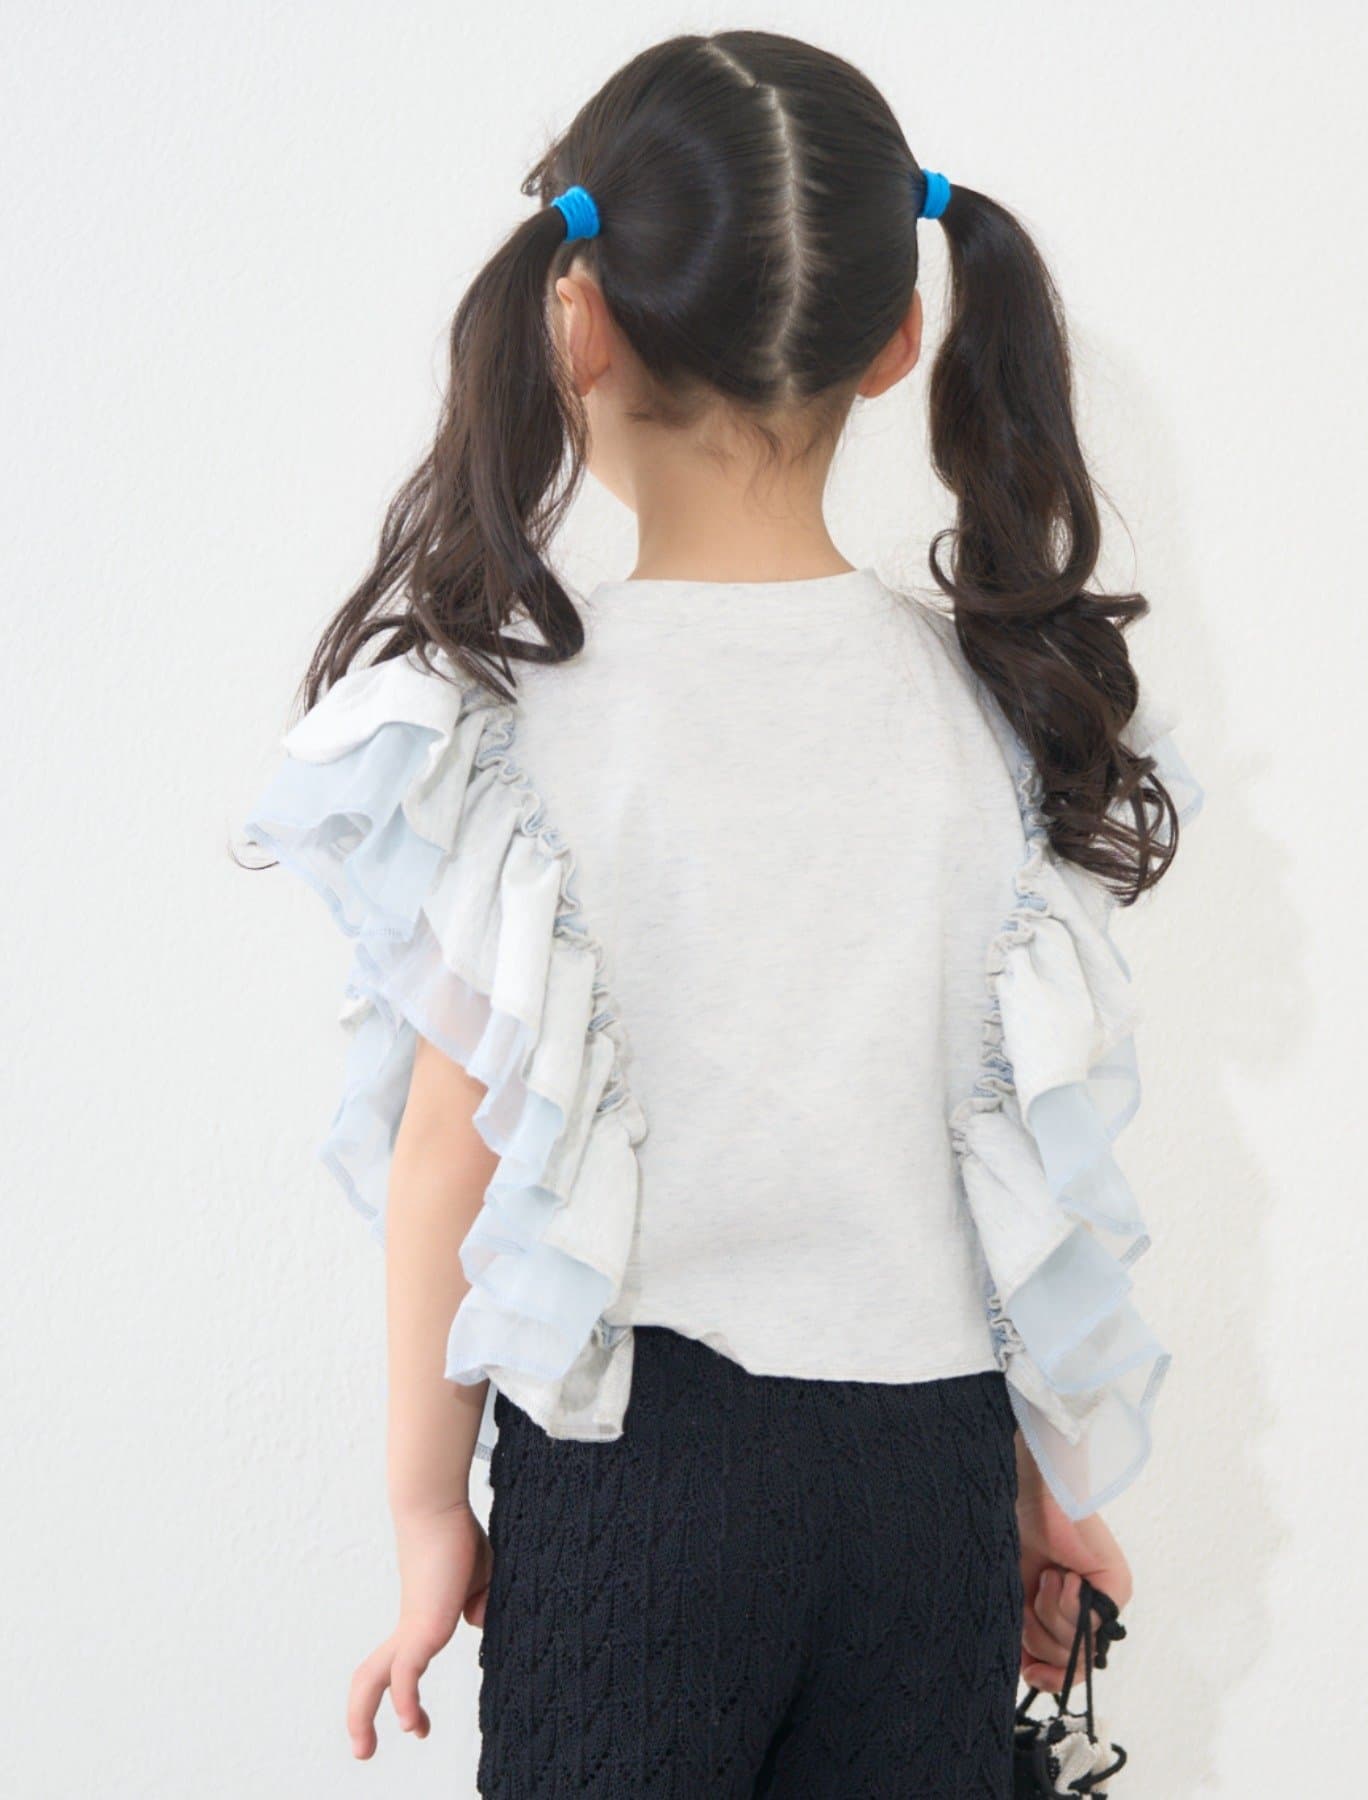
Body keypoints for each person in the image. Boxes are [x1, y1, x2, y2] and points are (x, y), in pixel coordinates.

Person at [244, 29, 1201, 1798]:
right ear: (899, 338)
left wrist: (428, 1515)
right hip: (927, 1486)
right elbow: (1011, 1166)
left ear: (577, 319)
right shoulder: (994, 712)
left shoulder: (516, 733)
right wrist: (1044, 1495)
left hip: (642, 1475)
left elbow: (452, 1152)